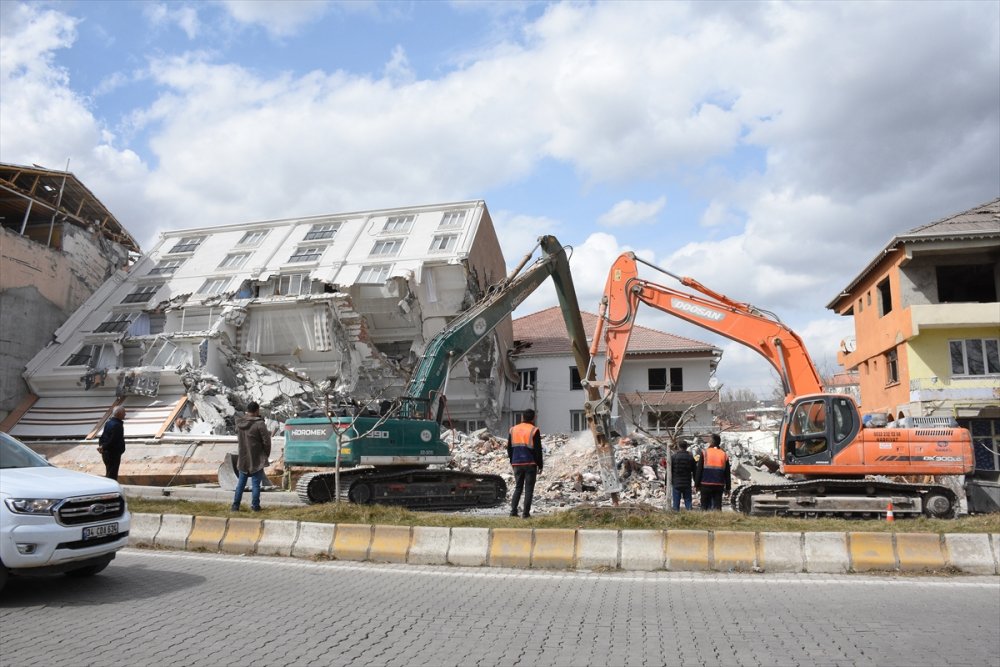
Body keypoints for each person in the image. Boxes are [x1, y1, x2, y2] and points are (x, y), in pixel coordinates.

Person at [231, 401, 272, 512]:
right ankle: (255, 506)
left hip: (243, 459)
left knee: (240, 484)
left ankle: (235, 506)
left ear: (247, 411)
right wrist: (265, 456)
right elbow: (267, 442)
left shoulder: (239, 423)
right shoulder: (259, 424)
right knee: (255, 485)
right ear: (257, 410)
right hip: (256, 458)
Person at [507, 409, 543, 518]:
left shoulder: (513, 429)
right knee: (528, 489)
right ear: (533, 418)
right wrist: (540, 465)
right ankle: (525, 514)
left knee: (518, 487)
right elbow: (538, 450)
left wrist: (512, 461)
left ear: (522, 417)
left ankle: (513, 512)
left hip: (516, 463)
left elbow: (509, 448)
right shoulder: (534, 430)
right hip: (530, 463)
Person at [695, 433, 731, 511]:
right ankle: (717, 521)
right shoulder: (724, 454)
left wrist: (697, 484)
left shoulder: (705, 453)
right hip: (719, 484)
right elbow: (727, 473)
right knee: (717, 506)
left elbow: (699, 470)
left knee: (704, 506)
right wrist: (728, 488)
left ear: (711, 442)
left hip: (705, 483)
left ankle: (704, 521)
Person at [97, 406, 127, 480]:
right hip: (113, 453)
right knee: (112, 475)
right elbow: (113, 440)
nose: (125, 414)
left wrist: (101, 446)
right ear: (119, 414)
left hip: (106, 452)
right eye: (124, 413)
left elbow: (103, 436)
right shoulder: (117, 425)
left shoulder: (109, 423)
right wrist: (103, 447)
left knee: (109, 471)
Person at [669, 440, 696, 511]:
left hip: (676, 483)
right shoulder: (690, 458)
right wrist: (696, 483)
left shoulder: (673, 457)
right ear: (686, 447)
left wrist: (667, 483)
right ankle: (690, 517)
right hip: (687, 483)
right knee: (688, 502)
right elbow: (695, 471)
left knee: (676, 503)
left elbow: (669, 471)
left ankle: (676, 517)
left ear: (678, 446)